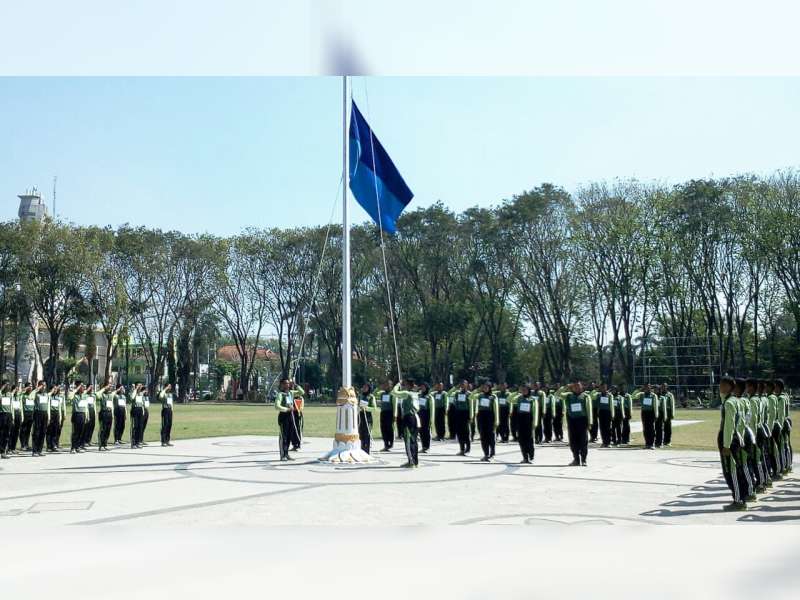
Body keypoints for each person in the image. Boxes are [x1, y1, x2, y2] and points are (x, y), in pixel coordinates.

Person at [718, 376, 748, 511]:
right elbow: (743, 420)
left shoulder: (729, 403)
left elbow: (729, 425)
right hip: (737, 436)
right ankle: (741, 497)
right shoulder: (736, 401)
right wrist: (740, 436)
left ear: (730, 387)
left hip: (729, 439)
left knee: (731, 471)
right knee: (737, 469)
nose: (720, 388)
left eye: (723, 385)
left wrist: (726, 445)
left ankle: (739, 501)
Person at [558, 382, 592, 466]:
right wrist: (565, 386)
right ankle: (576, 459)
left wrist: (590, 422)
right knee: (573, 441)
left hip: (582, 420)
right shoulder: (568, 395)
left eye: (578, 386)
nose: (577, 388)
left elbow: (589, 410)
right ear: (572, 388)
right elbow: (558, 394)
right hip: (572, 420)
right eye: (575, 387)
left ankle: (583, 460)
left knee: (583, 441)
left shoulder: (586, 396)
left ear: (582, 387)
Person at [392, 380, 420, 468]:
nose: (403, 386)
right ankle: (415, 461)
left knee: (408, 440)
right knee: (414, 440)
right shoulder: (415, 394)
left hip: (409, 417)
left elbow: (394, 392)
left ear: (408, 385)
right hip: (415, 417)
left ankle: (411, 462)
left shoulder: (406, 393)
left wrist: (398, 384)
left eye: (405, 385)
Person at [275, 378, 303, 461]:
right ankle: (283, 455)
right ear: (282, 385)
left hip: (291, 417)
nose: (287, 385)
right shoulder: (280, 394)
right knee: (284, 436)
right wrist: (286, 409)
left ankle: (287, 454)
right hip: (283, 417)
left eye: (288, 383)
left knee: (289, 436)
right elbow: (277, 406)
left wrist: (295, 384)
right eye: (286, 383)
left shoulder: (291, 393)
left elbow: (302, 392)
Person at [511, 384, 537, 463]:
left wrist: (534, 423)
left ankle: (531, 454)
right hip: (520, 419)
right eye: (522, 390)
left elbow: (535, 411)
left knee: (529, 439)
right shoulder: (519, 398)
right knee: (521, 440)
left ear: (529, 390)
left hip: (529, 419)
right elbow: (509, 400)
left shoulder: (532, 399)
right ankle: (525, 457)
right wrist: (516, 393)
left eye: (525, 390)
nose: (524, 391)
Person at [447, 380, 475, 456]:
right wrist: (455, 388)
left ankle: (468, 448)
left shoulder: (469, 394)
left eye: (464, 384)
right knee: (459, 432)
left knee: (466, 432)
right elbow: (449, 395)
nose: (462, 386)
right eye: (461, 384)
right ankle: (462, 449)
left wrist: (471, 416)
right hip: (458, 413)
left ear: (467, 385)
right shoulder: (457, 393)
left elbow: (471, 405)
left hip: (466, 413)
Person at [474, 382, 499, 461]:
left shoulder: (493, 396)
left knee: (490, 436)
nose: (485, 388)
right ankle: (486, 454)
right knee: (483, 436)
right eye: (483, 387)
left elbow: (496, 409)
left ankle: (492, 452)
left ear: (489, 388)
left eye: (486, 387)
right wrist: (477, 389)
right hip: (481, 416)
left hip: (490, 416)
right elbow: (471, 397)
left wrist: (496, 420)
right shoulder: (479, 395)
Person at [633, 384, 659, 449]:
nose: (647, 388)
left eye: (648, 387)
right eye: (645, 387)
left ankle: (652, 443)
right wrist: (639, 390)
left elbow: (655, 406)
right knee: (645, 428)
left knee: (651, 428)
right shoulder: (642, 394)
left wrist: (656, 415)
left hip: (651, 413)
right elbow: (633, 396)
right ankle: (647, 443)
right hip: (644, 413)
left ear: (650, 388)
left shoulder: (653, 395)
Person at [775, 379, 792, 474]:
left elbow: (781, 414)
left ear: (779, 387)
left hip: (783, 422)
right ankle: (787, 465)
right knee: (786, 444)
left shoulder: (781, 398)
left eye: (776, 386)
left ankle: (785, 466)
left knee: (783, 445)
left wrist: (780, 427)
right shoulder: (784, 396)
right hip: (786, 421)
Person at [31, 380, 49, 457]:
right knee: (36, 432)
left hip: (45, 414)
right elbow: (30, 397)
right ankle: (34, 450)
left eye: (45, 385)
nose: (44, 387)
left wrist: (48, 416)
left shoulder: (46, 394)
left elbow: (48, 405)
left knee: (43, 432)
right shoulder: (36, 394)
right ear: (39, 386)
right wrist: (36, 389)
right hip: (38, 413)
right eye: (42, 385)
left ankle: (40, 450)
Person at [357, 383, 377, 454]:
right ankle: (362, 450)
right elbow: (357, 404)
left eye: (366, 387)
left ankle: (367, 451)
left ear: (369, 388)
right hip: (360, 417)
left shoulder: (371, 397)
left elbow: (374, 408)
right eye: (363, 387)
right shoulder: (360, 396)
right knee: (361, 434)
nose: (364, 388)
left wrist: (366, 408)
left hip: (368, 418)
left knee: (367, 435)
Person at [378, 380, 397, 452]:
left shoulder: (393, 394)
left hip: (390, 413)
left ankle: (390, 443)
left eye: (388, 385)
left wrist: (395, 415)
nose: (386, 386)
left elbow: (395, 405)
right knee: (383, 428)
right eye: (385, 384)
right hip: (383, 412)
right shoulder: (382, 394)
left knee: (389, 428)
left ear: (391, 385)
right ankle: (385, 444)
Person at [69, 382, 87, 454]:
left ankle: (77, 446)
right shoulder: (74, 396)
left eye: (83, 386)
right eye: (82, 386)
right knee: (75, 432)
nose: (83, 388)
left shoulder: (84, 396)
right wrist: (76, 389)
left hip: (83, 414)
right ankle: (73, 448)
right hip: (76, 415)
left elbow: (86, 407)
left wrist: (86, 415)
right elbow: (69, 396)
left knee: (81, 432)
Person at [96, 382, 114, 451]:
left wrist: (112, 414)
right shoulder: (102, 395)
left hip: (109, 413)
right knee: (103, 429)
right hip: (103, 413)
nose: (110, 388)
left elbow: (111, 406)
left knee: (108, 430)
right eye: (108, 387)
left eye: (110, 387)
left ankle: (105, 444)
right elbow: (97, 395)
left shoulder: (110, 395)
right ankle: (101, 445)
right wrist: (103, 388)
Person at [596, 383, 614, 448]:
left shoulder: (609, 395)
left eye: (604, 387)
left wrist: (612, 414)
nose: (603, 388)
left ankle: (608, 442)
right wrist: (598, 412)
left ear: (606, 388)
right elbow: (598, 404)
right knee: (602, 428)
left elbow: (611, 405)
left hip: (608, 412)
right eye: (602, 387)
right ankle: (604, 442)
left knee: (608, 427)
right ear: (600, 388)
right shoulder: (598, 395)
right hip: (601, 412)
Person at [417, 383, 434, 453]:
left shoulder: (429, 397)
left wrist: (431, 419)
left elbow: (432, 409)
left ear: (426, 388)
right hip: (420, 414)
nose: (422, 388)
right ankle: (423, 446)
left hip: (427, 415)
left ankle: (427, 447)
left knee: (427, 432)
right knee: (421, 431)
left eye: (423, 387)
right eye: (421, 387)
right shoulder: (419, 395)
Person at [46, 384, 62, 452]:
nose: (55, 390)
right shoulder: (48, 396)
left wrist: (60, 416)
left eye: (56, 389)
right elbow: (47, 395)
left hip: (56, 414)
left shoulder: (57, 397)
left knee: (55, 430)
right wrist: (51, 392)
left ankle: (54, 445)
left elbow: (59, 408)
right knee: (49, 430)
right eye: (54, 389)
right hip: (51, 414)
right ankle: (49, 446)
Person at [8, 384, 23, 455]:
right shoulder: (10, 396)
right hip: (12, 415)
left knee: (16, 432)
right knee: (11, 432)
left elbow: (21, 407)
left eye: (18, 389)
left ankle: (13, 448)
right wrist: (13, 392)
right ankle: (9, 448)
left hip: (18, 415)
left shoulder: (19, 396)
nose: (17, 390)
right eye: (16, 389)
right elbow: (10, 395)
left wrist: (22, 416)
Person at [19, 382, 34, 451]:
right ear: (26, 387)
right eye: (29, 386)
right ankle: (22, 445)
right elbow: (19, 394)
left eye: (31, 386)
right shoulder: (23, 395)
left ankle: (26, 444)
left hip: (31, 414)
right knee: (23, 430)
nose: (30, 388)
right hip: (25, 413)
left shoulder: (32, 395)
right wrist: (24, 390)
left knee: (28, 430)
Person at [130, 384, 145, 449]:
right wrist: (135, 389)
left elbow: (142, 403)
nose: (140, 387)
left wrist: (143, 411)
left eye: (141, 386)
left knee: (140, 427)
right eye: (139, 385)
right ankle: (133, 443)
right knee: (135, 426)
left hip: (140, 410)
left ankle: (138, 442)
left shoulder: (141, 394)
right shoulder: (133, 393)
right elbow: (132, 398)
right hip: (135, 410)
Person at [290, 384, 304, 451]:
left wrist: (296, 385)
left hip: (297, 414)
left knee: (297, 430)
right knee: (292, 430)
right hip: (291, 414)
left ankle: (297, 445)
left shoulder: (299, 397)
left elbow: (298, 408)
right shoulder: (291, 395)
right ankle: (294, 444)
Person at [0, 383, 12, 459]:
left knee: (6, 434)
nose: (8, 386)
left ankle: (3, 451)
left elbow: (11, 405)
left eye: (8, 385)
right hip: (2, 414)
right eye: (6, 385)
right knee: (1, 433)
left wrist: (12, 416)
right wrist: (1, 389)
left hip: (9, 415)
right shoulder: (1, 393)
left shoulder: (9, 394)